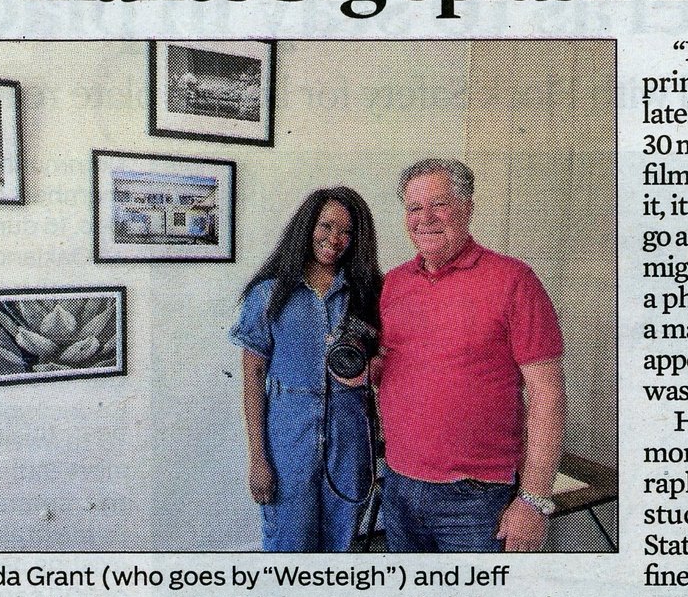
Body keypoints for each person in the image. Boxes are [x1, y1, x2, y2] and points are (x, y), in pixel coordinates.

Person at [375, 158, 566, 552]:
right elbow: (397, 368)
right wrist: (366, 371)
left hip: (478, 501)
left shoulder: (515, 281)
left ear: (468, 207)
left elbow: (548, 397)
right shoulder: (393, 283)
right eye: (414, 208)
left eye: (439, 204)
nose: (424, 218)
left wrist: (533, 499)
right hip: (398, 487)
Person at [231, 188, 383, 551]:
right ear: (307, 226)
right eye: (326, 226)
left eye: (347, 232)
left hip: (350, 445)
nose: (335, 239)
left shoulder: (368, 294)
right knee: (288, 550)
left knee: (340, 548)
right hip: (287, 442)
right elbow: (252, 377)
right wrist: (258, 460)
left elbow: (387, 364)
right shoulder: (269, 294)